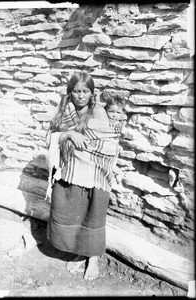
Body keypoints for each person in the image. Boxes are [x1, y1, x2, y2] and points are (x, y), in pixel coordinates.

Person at [45, 71, 121, 281]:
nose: (80, 96)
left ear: (91, 93)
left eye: (85, 91)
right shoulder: (63, 111)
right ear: (70, 93)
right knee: (74, 214)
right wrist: (69, 134)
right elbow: (47, 137)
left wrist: (84, 144)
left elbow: (106, 142)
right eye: (76, 91)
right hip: (70, 172)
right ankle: (80, 253)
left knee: (93, 216)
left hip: (95, 173)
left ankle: (93, 258)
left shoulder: (98, 112)